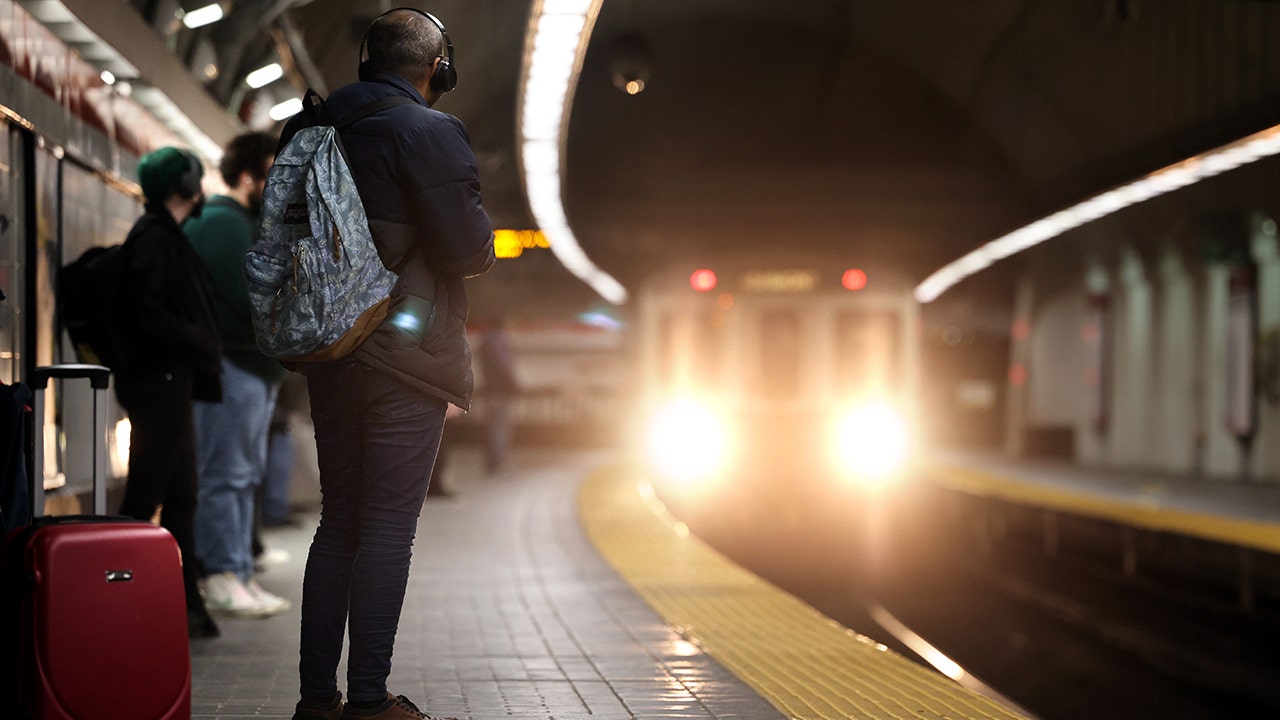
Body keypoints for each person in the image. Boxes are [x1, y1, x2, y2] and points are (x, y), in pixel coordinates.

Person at [282, 9, 494, 720]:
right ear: (439, 69)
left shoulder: (307, 130)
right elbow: (468, 253)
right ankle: (369, 702)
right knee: (388, 529)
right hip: (405, 357)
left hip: (329, 351)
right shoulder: (430, 133)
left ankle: (318, 699)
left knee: (338, 520)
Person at [113, 146, 223, 639]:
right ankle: (118, 600)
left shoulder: (162, 235)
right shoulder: (155, 239)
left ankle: (185, 605)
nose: (201, 190)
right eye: (196, 180)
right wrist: (197, 338)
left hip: (169, 383)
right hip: (159, 383)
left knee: (180, 494)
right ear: (183, 186)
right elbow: (146, 312)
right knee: (147, 494)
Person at [184, 131, 291, 618]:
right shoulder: (223, 224)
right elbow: (251, 298)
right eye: (271, 174)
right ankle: (221, 575)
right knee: (226, 474)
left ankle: (239, 571)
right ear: (248, 176)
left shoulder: (243, 221)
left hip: (253, 367)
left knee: (244, 474)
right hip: (233, 365)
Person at [477, 319, 519, 473]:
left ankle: (492, 461)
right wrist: (513, 383)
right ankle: (498, 462)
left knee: (493, 426)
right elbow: (503, 364)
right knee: (499, 427)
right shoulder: (497, 339)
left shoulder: (485, 339)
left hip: (490, 389)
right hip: (499, 390)